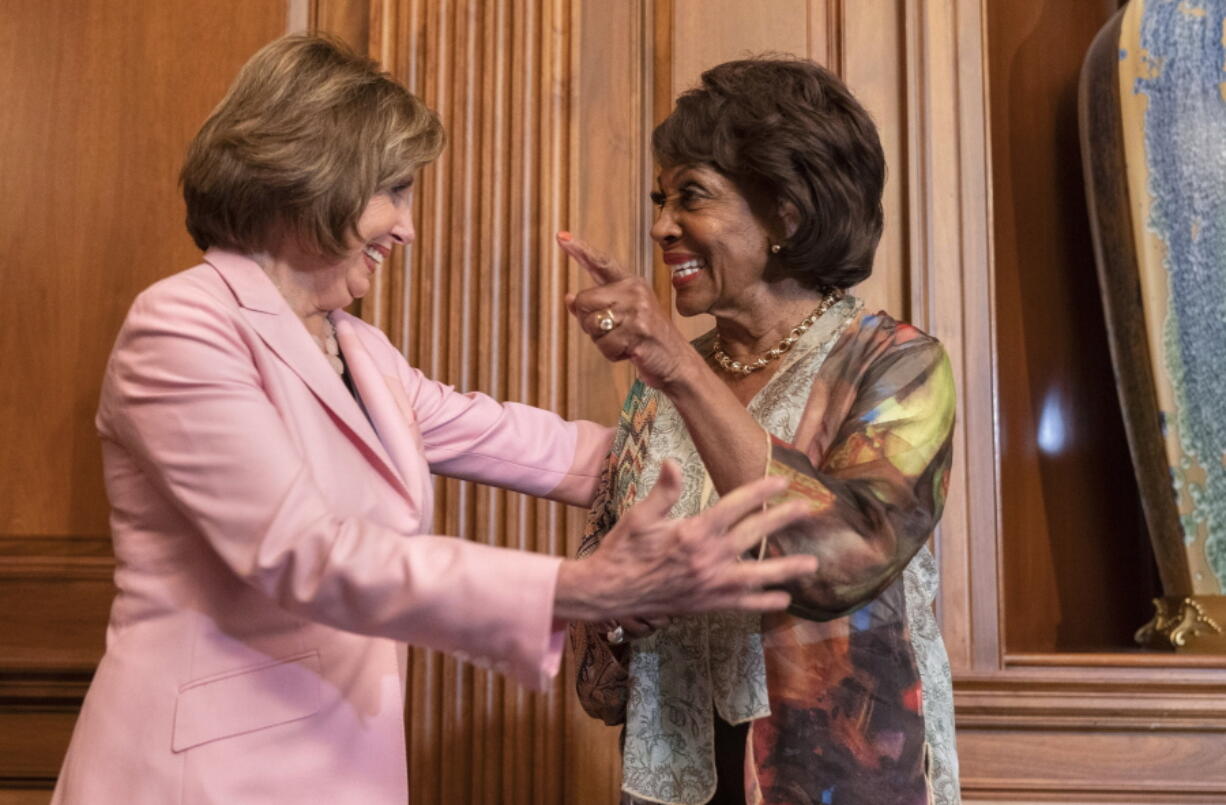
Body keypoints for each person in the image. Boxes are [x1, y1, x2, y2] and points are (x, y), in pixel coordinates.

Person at [49, 36, 819, 805]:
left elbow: (558, 452)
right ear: (309, 179)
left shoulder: (361, 350)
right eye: (393, 189)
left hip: (345, 770)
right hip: (197, 778)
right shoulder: (181, 325)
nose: (407, 228)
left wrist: (750, 441)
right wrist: (574, 587)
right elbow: (303, 553)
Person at [564, 57, 959, 805]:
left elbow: (843, 561)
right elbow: (600, 679)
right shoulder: (653, 390)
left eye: (692, 196)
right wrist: (617, 604)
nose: (660, 225)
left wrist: (678, 366)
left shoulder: (900, 365)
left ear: (788, 212)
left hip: (836, 780)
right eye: (660, 197)